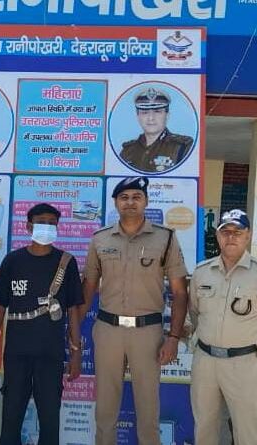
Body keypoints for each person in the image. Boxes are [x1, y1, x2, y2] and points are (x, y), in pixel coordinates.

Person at [80, 176, 189, 445]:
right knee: (105, 407)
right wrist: (74, 331)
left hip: (147, 333)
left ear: (146, 202)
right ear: (116, 202)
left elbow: (179, 292)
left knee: (148, 407)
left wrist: (173, 338)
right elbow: (88, 287)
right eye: (124, 197)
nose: (130, 202)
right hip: (108, 330)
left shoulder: (165, 238)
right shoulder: (100, 239)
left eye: (136, 197)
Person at [188, 209, 257, 445]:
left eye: (238, 232)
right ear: (218, 236)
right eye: (225, 232)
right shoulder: (202, 272)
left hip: (242, 363)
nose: (231, 237)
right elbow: (194, 312)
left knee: (246, 428)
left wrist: (256, 342)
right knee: (204, 425)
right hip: (205, 361)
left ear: (248, 235)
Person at [0, 203, 83, 445]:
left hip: (50, 355)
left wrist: (75, 354)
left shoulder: (66, 263)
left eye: (52, 223)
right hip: (17, 354)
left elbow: (73, 310)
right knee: (11, 420)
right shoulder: (12, 261)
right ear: (28, 226)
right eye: (42, 222)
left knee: (50, 422)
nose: (47, 227)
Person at [119, 87, 194, 173]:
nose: (151, 118)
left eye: (157, 111)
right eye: (145, 112)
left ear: (167, 115)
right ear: (138, 116)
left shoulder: (182, 147)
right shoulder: (127, 151)